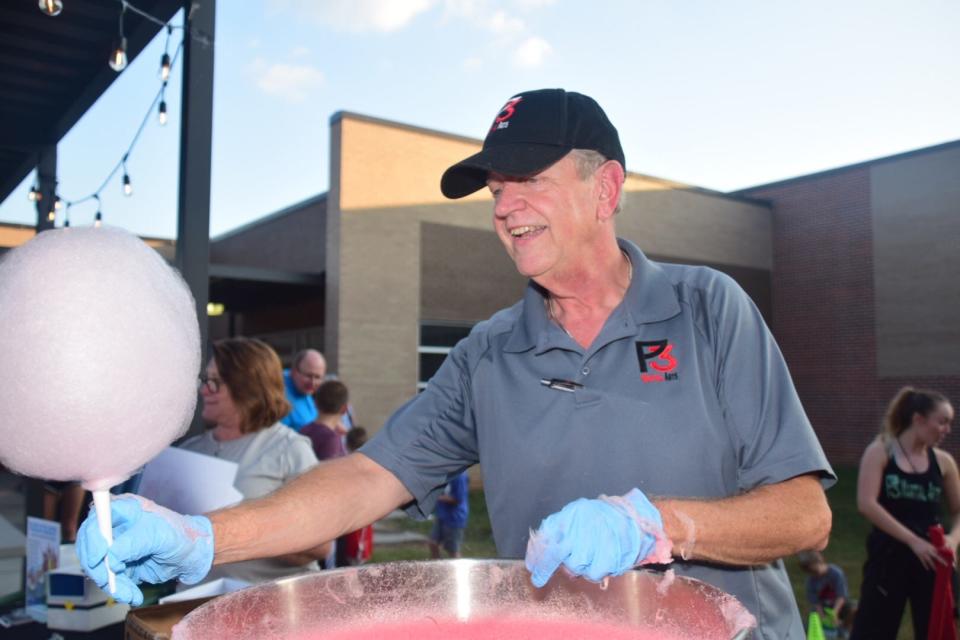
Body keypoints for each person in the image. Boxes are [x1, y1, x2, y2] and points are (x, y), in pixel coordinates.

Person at [76, 88, 833, 638]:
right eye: (496, 190)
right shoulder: (487, 354)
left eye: (528, 180)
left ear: (606, 188)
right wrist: (203, 537)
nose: (503, 207)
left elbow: (806, 513)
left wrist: (657, 525)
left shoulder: (707, 308)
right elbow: (369, 477)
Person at [177, 337, 329, 585]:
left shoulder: (290, 450)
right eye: (205, 380)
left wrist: (231, 528)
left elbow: (321, 546)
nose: (204, 390)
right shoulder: (189, 452)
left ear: (246, 387)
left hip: (272, 613)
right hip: (193, 608)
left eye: (215, 382)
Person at [849, 387, 959, 639]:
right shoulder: (881, 452)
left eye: (949, 423)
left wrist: (953, 541)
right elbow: (866, 504)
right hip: (889, 557)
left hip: (933, 561)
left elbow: (958, 511)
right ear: (918, 419)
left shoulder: (943, 461)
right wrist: (913, 541)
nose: (947, 430)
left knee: (938, 631)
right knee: (873, 630)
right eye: (942, 422)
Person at [336, 427, 375, 567]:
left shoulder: (344, 466)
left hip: (351, 521)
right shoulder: (372, 465)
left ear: (346, 444)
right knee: (356, 562)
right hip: (362, 520)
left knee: (349, 563)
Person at [797, 550, 854, 638]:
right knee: (810, 621)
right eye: (811, 573)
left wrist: (835, 612)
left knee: (852, 610)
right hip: (823, 607)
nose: (815, 574)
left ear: (821, 561)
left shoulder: (836, 573)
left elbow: (841, 596)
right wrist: (822, 615)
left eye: (816, 571)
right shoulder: (810, 581)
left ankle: (844, 629)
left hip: (840, 605)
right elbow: (815, 602)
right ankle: (826, 629)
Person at [281, 349, 327, 431]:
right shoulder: (278, 392)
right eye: (308, 376)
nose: (313, 382)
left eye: (317, 377)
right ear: (294, 372)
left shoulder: (305, 391)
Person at [429, 470, 470, 559]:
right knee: (433, 543)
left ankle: (460, 571)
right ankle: (437, 568)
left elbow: (458, 499)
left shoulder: (460, 476)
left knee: (453, 550)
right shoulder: (444, 474)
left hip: (454, 518)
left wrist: (437, 497)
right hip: (442, 515)